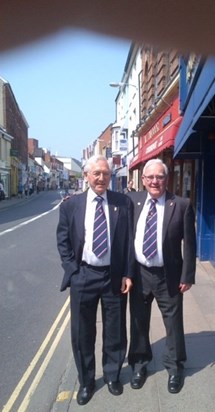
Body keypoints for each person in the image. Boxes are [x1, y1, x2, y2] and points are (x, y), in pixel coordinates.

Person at [56, 154, 135, 406]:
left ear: (111, 177)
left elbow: (130, 241)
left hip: (113, 275)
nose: (102, 178)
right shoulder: (71, 206)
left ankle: (112, 375)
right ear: (87, 176)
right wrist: (73, 270)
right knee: (82, 333)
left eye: (106, 174)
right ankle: (87, 381)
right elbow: (63, 240)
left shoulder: (123, 203)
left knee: (115, 330)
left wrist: (128, 273)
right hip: (84, 275)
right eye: (97, 173)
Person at [127, 158, 196, 394]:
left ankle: (174, 367)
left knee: (173, 324)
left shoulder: (181, 204)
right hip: (139, 273)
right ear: (143, 181)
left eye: (160, 177)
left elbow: (190, 244)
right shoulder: (132, 201)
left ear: (167, 179)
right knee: (138, 322)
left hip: (169, 275)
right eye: (150, 177)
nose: (155, 181)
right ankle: (139, 364)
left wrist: (188, 275)